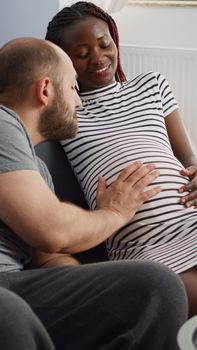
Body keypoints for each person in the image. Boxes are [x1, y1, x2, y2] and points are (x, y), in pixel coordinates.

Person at [0, 37, 187, 349]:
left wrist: (91, 287)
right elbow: (52, 230)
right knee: (9, 314)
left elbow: (48, 258)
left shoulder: (36, 171)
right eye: (73, 87)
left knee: (157, 286)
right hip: (8, 300)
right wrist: (113, 213)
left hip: (18, 288)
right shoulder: (2, 122)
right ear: (45, 90)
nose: (79, 101)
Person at [45, 1, 197, 317]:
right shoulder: (64, 114)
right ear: (63, 60)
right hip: (144, 245)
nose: (99, 58)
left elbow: (189, 159)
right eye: (82, 53)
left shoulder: (152, 85)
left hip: (191, 219)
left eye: (104, 44)